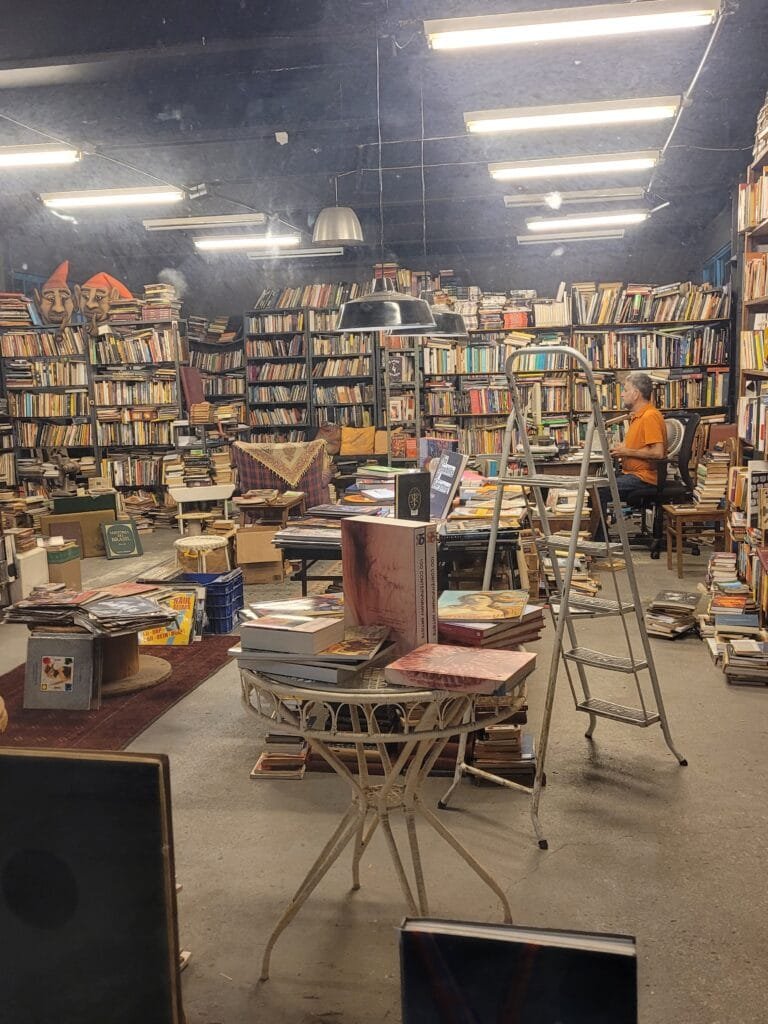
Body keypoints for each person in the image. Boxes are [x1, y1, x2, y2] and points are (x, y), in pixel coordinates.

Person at [594, 371, 666, 541]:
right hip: (633, 474)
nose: (622, 394)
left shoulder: (650, 416)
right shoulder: (638, 417)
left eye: (625, 390)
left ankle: (599, 541)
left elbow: (658, 453)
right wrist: (622, 449)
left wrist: (627, 452)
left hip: (645, 478)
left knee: (598, 488)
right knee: (594, 482)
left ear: (636, 394)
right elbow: (640, 447)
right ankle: (598, 535)